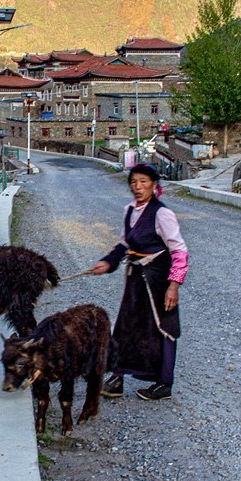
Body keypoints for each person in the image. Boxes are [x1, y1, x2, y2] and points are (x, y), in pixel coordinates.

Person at [88, 163, 189, 401]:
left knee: (163, 327)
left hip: (158, 280)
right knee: (126, 325)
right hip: (135, 279)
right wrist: (108, 262)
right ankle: (118, 377)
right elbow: (125, 244)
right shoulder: (129, 210)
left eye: (143, 181)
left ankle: (164, 383)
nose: (138, 187)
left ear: (154, 185)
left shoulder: (162, 214)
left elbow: (179, 250)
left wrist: (174, 285)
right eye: (134, 182)